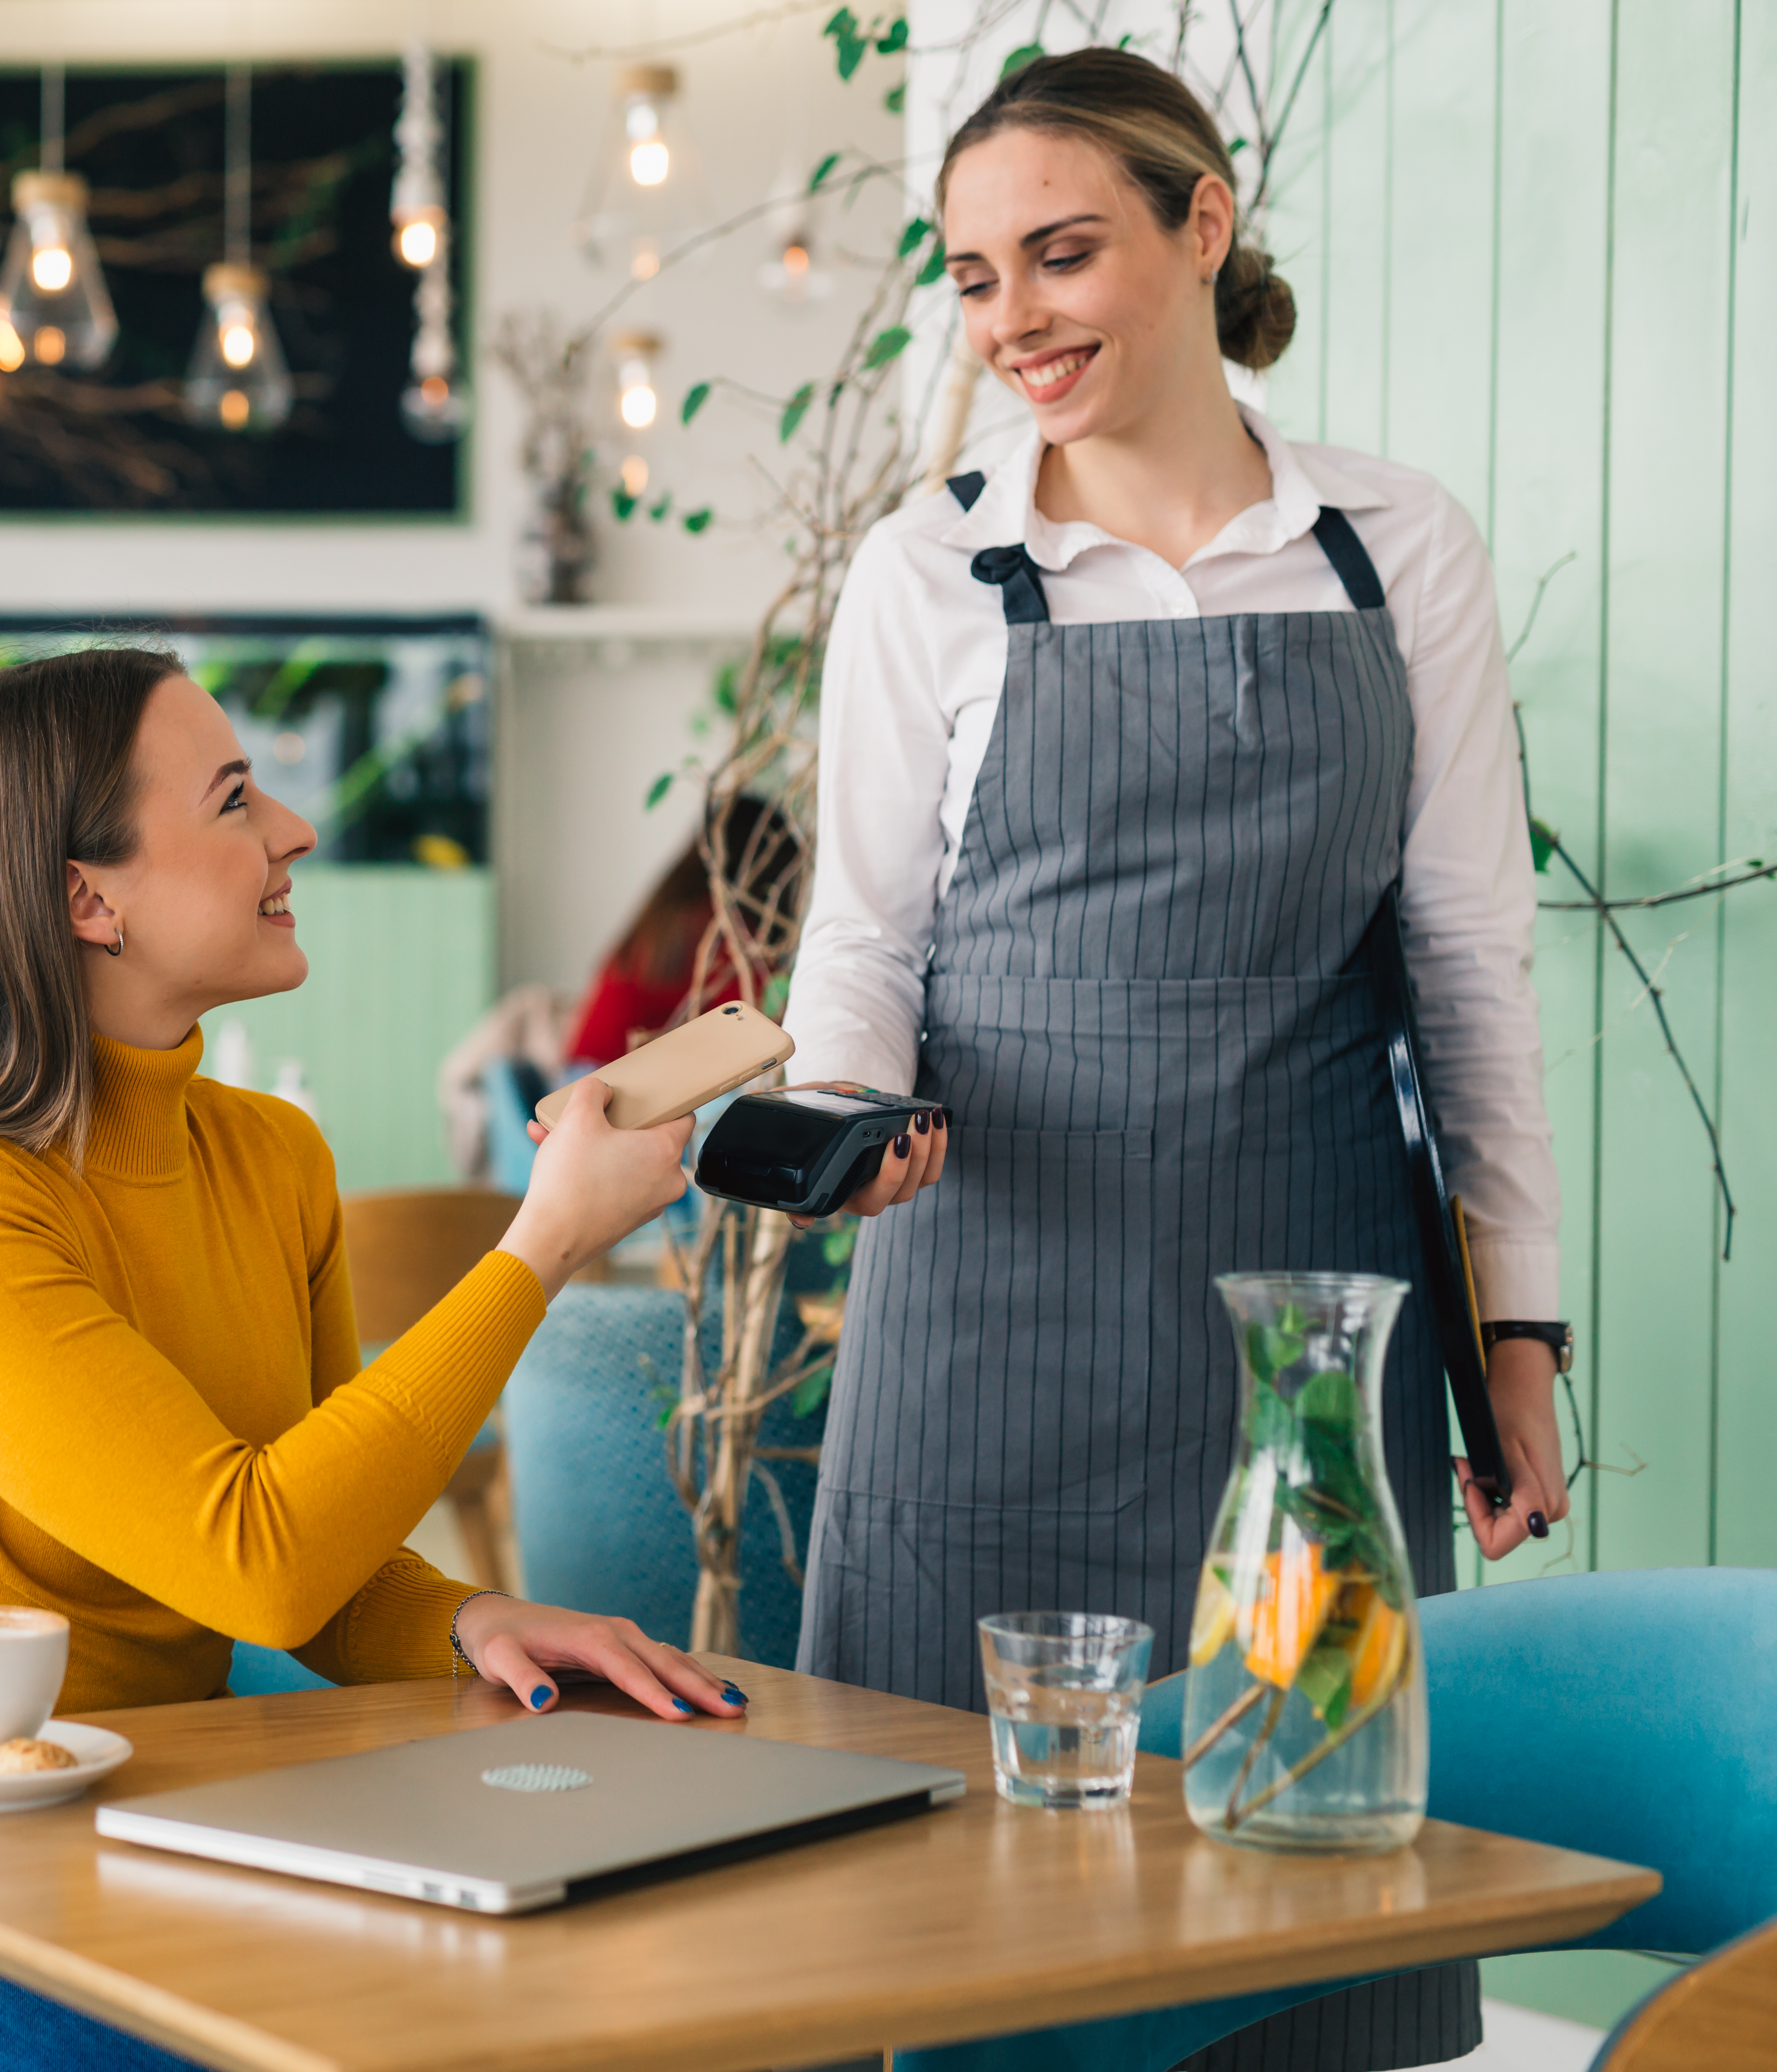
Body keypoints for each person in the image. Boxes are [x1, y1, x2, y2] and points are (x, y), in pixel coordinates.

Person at [782, 49, 1570, 2071]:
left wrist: (1518, 1341)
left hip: (1306, 1320)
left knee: (1304, 1910)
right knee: (957, 1922)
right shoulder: (925, 572)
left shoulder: (1395, 550)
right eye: (970, 278)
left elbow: (1467, 959)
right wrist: (835, 1134)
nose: (1012, 319)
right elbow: (858, 948)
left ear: (1197, 228)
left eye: (1060, 255)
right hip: (985, 1318)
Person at [0, 646, 732, 2070]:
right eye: (233, 801)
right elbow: (255, 1554)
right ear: (90, 898)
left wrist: (466, 1620)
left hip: (160, 1839)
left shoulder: (271, 1159)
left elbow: (314, 1553)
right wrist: (545, 1244)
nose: (296, 831)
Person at [564, 792, 807, 1067]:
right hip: (604, 1083)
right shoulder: (717, 925)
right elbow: (761, 1019)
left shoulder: (671, 911)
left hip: (577, 1078)